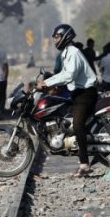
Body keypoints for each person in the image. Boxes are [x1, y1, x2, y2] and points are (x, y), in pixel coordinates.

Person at [36, 24, 98, 177]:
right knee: (65, 120)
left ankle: (84, 164)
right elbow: (64, 74)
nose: (55, 40)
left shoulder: (74, 52)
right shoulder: (66, 53)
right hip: (76, 93)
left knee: (77, 125)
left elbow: (69, 76)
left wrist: (47, 83)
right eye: (55, 38)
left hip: (86, 93)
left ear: (65, 36)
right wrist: (49, 82)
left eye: (57, 37)